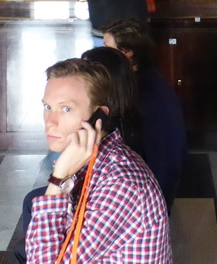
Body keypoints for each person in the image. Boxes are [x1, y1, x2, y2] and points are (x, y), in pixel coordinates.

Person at [25, 58, 171, 264]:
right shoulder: (88, 159)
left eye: (66, 109)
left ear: (98, 117)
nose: (51, 122)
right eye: (48, 107)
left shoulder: (121, 184)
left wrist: (57, 180)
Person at [103, 19, 188, 209]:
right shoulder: (147, 81)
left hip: (149, 198)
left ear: (127, 53)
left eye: (107, 47)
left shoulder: (141, 92)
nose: (104, 53)